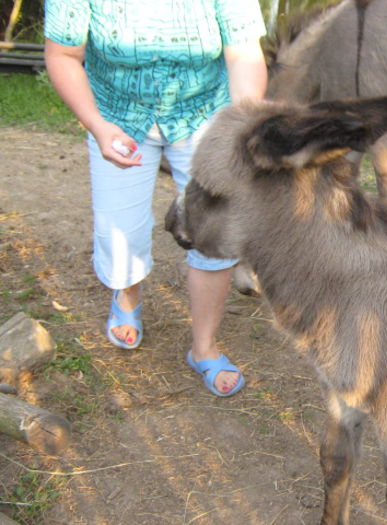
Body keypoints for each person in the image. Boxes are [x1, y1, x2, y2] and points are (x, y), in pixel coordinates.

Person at [43, 0, 268, 397]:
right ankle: (127, 290)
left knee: (215, 235)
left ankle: (204, 348)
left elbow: (243, 51)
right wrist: (97, 125)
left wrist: (240, 128)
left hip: (204, 116)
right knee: (120, 237)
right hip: (117, 117)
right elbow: (63, 54)